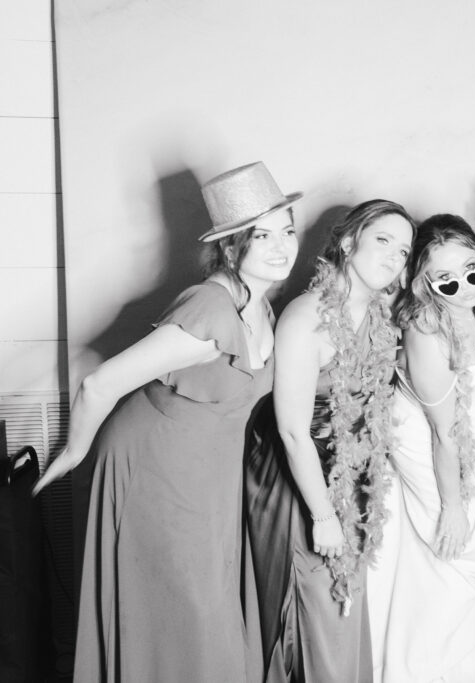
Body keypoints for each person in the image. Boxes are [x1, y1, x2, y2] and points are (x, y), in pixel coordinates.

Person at [32, 161, 300, 681]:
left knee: (211, 603)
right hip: (156, 467)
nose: (282, 246)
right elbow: (98, 384)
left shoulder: (262, 306)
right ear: (230, 246)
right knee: (184, 607)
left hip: (208, 472)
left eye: (287, 230)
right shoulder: (211, 309)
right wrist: (74, 452)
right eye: (261, 235)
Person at [243, 199, 415, 682]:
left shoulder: (380, 316)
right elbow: (293, 429)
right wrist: (322, 513)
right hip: (300, 482)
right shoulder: (306, 317)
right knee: (312, 613)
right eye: (383, 240)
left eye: (402, 251)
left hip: (350, 476)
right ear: (347, 242)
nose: (393, 257)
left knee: (343, 613)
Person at [368, 213, 475, 682]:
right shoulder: (425, 331)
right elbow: (444, 432)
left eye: (472, 269)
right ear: (424, 285)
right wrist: (452, 504)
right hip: (426, 440)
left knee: (452, 564)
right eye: (446, 281)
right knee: (458, 547)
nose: (465, 286)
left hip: (466, 431)